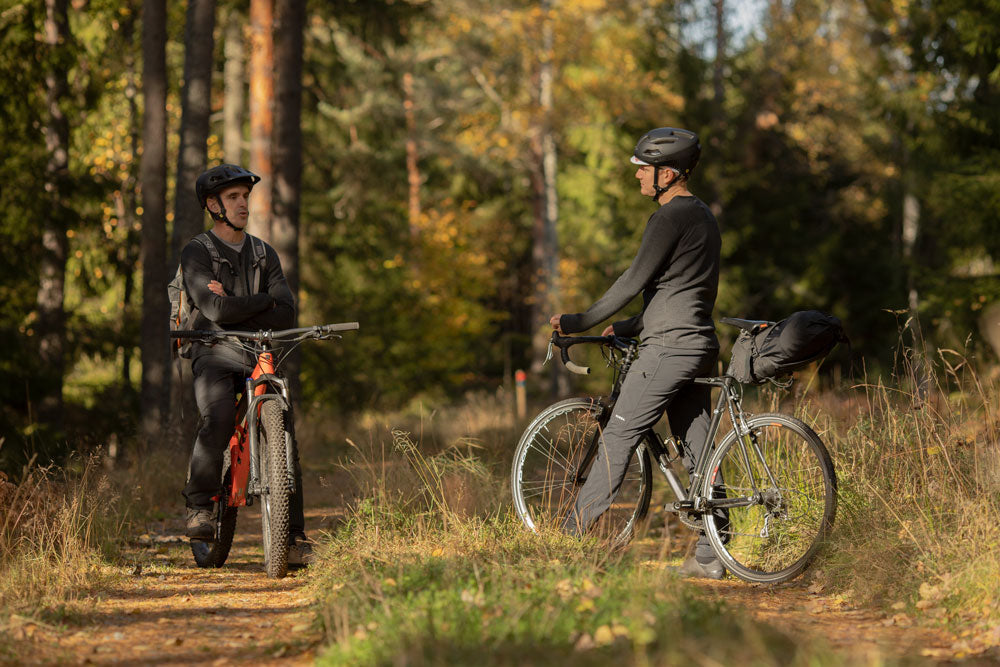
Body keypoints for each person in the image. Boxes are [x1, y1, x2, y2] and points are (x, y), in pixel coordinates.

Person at [549, 127, 726, 579]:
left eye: (642, 170)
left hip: (668, 349)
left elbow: (633, 282)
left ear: (667, 174)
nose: (637, 178)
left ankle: (569, 541)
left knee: (617, 437)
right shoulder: (703, 216)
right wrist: (628, 327)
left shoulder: (668, 217)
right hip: (698, 344)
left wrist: (577, 321)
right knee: (699, 447)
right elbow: (680, 291)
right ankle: (712, 554)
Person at [180, 164, 312, 566]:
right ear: (213, 204)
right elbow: (212, 309)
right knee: (217, 416)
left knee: (284, 427)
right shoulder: (197, 251)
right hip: (213, 350)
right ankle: (200, 506)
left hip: (257, 351)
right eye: (234, 197)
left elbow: (286, 314)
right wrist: (262, 302)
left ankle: (292, 539)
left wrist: (241, 307)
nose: (243, 203)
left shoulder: (262, 252)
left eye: (245, 196)